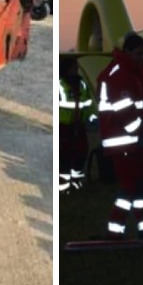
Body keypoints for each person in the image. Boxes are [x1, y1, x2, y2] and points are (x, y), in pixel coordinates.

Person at [97, 33, 143, 239]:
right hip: (125, 140)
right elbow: (125, 111)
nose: (142, 58)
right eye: (139, 54)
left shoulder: (131, 71)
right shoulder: (120, 74)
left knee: (140, 186)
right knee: (132, 188)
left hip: (131, 140)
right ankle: (117, 231)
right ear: (128, 52)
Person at [59, 56, 95, 193]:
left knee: (81, 152)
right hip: (64, 126)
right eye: (74, 67)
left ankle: (76, 182)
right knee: (64, 156)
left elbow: (89, 102)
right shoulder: (59, 84)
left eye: (77, 67)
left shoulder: (82, 84)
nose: (76, 69)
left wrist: (92, 115)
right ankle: (63, 187)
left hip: (79, 125)